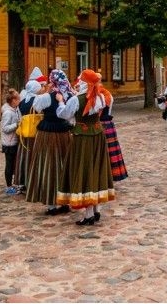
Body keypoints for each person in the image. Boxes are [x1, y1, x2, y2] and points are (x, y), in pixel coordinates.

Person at [56, 69, 115, 225]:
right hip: (98, 135)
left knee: (85, 170)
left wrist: (61, 101)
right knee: (95, 169)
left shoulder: (77, 99)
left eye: (80, 79)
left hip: (83, 138)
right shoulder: (101, 97)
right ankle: (96, 210)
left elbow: (64, 115)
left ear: (84, 82)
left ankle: (89, 214)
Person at [25, 69, 74, 215]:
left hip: (48, 134)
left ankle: (52, 205)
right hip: (64, 133)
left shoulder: (45, 97)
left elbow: (36, 108)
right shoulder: (70, 96)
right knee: (64, 166)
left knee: (49, 166)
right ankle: (65, 201)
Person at [15, 80, 43, 193]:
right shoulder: (36, 101)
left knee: (24, 157)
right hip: (34, 132)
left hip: (24, 133)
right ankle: (32, 181)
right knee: (33, 157)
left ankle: (22, 181)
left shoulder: (22, 101)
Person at [99, 84, 128, 182]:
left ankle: (104, 175)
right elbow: (109, 111)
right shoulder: (108, 94)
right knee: (110, 152)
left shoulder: (98, 95)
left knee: (103, 151)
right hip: (108, 124)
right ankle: (112, 174)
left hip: (100, 124)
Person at [1, 89, 21, 194]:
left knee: (13, 164)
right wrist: (16, 125)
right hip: (9, 142)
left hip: (14, 140)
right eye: (18, 98)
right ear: (13, 100)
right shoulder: (8, 112)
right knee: (9, 164)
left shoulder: (15, 109)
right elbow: (5, 128)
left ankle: (12, 184)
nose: (20, 100)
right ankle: (9, 186)